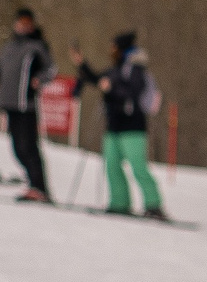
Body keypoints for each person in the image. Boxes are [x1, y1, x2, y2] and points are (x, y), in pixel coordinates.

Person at [69, 31, 165, 219]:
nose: (111, 50)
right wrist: (82, 64)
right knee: (112, 165)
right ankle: (120, 202)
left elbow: (132, 92)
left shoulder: (136, 69)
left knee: (138, 167)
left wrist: (111, 88)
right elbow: (97, 79)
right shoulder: (115, 69)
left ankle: (154, 205)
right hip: (113, 126)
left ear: (122, 48)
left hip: (133, 126)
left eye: (113, 47)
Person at [0, 7, 54, 200]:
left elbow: (51, 69)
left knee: (28, 146)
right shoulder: (8, 48)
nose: (23, 26)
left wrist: (39, 80)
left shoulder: (37, 47)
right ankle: (33, 185)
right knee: (17, 149)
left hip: (25, 104)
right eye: (20, 22)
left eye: (27, 23)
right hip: (9, 104)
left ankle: (40, 188)